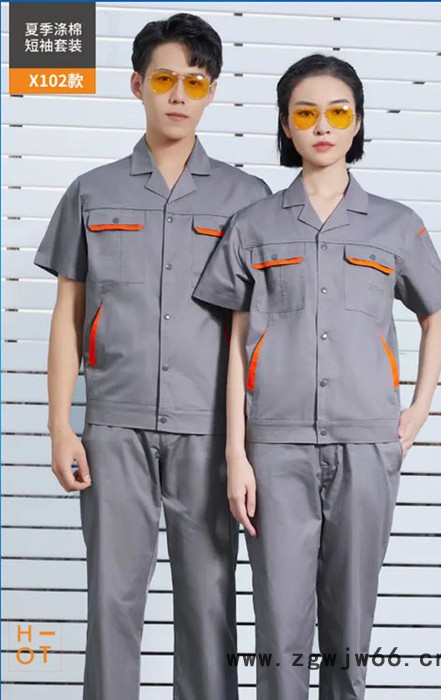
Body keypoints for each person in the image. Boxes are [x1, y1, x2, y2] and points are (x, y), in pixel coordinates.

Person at [192, 53, 441, 699]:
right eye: (305, 113)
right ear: (286, 125)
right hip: (274, 448)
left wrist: (417, 411)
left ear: (357, 122)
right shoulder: (253, 225)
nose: (321, 126)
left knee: (349, 627)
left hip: (366, 445)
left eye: (338, 113)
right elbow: (235, 343)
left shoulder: (396, 224)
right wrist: (236, 454)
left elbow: (434, 318)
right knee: (279, 625)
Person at [33, 13, 271, 700]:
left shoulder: (247, 199)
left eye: (194, 82)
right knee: (111, 601)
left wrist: (249, 444)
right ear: (137, 84)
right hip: (114, 430)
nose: (178, 95)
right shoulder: (92, 191)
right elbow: (67, 316)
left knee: (208, 605)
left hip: (210, 432)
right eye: (164, 79)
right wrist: (60, 425)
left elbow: (259, 330)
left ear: (211, 91)